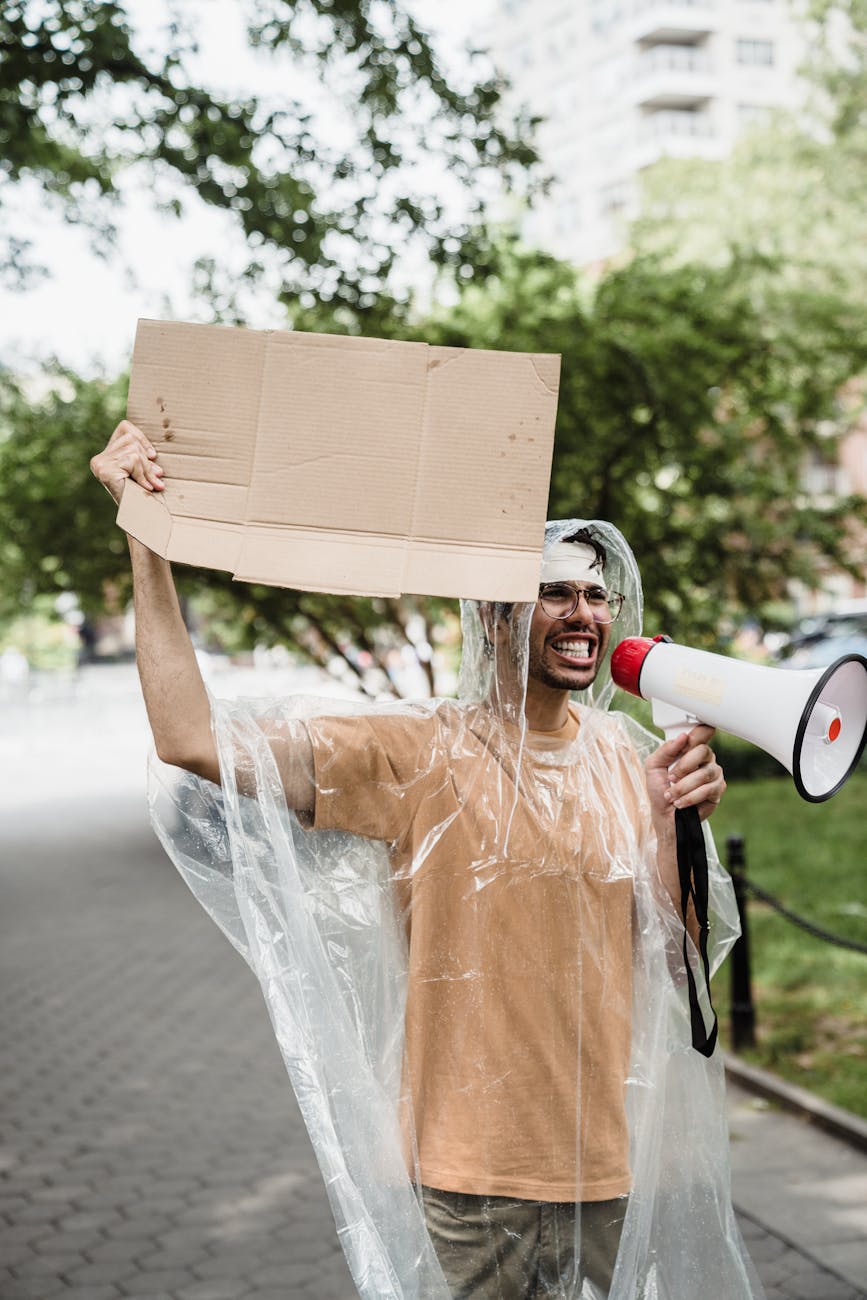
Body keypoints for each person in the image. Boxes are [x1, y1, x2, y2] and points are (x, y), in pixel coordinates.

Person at [91, 421, 759, 1300]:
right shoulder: (419, 754)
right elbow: (190, 739)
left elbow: (675, 961)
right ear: (492, 613)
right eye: (553, 594)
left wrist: (678, 824)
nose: (585, 615)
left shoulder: (627, 763)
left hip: (612, 1169)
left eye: (595, 596)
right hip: (472, 1178)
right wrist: (147, 543)